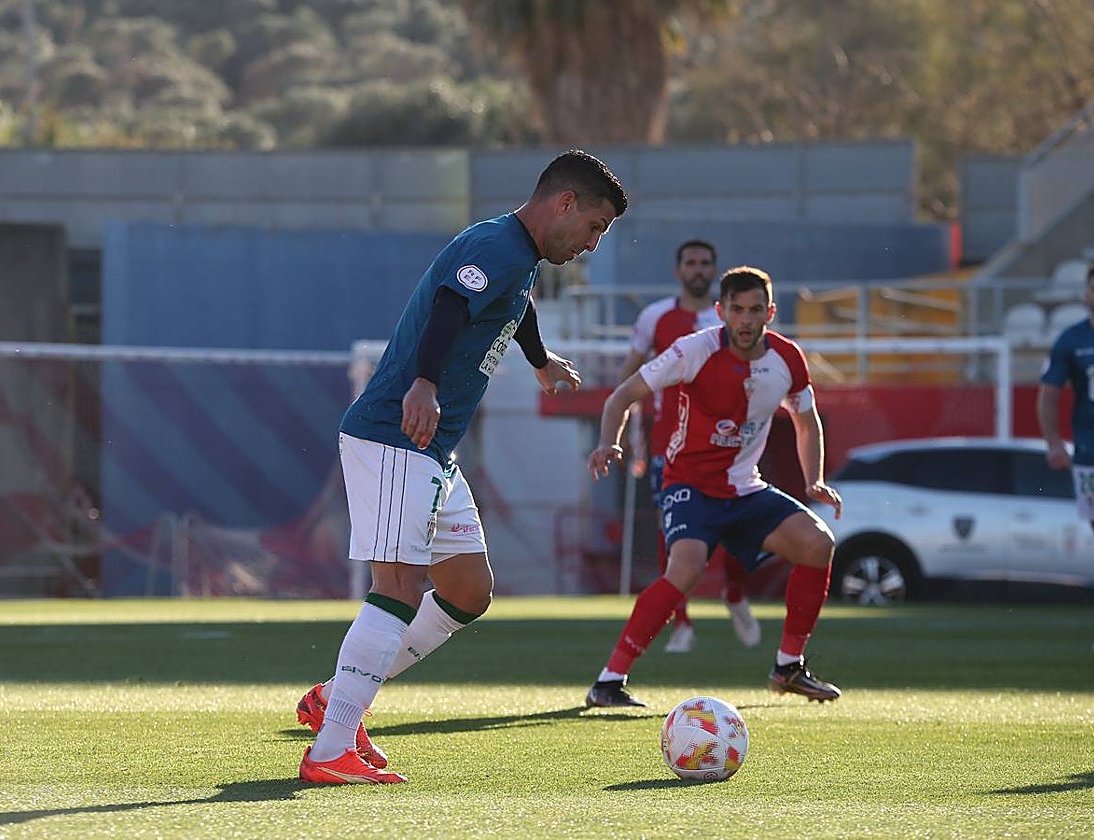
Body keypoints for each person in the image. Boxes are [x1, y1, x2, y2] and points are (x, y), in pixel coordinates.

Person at [295, 149, 629, 784]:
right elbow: (451, 303)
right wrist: (422, 382)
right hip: (398, 434)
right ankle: (329, 748)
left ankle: (333, 697)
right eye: (594, 227)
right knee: (397, 585)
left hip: (433, 451)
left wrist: (538, 359)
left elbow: (514, 302)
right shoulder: (500, 244)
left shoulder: (516, 255)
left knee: (468, 589)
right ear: (565, 204)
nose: (591, 243)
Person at [584, 265, 844, 708]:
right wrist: (609, 442)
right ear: (721, 311)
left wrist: (813, 479)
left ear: (771, 312)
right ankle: (609, 682)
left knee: (818, 544)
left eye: (755, 310)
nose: (746, 320)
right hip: (690, 485)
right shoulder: (693, 350)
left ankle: (787, 667)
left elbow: (806, 421)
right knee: (684, 570)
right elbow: (621, 395)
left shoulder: (788, 359)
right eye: (737, 310)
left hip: (745, 488)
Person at [619, 239, 760, 653]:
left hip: (733, 446)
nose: (697, 269)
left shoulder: (735, 316)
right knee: (673, 533)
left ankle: (735, 593)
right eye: (690, 263)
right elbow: (629, 381)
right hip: (671, 445)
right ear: (678, 270)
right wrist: (627, 438)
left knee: (740, 531)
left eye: (705, 263)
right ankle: (681, 623)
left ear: (715, 270)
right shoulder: (654, 317)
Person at [1037, 263, 1094, 652]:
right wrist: (1053, 442)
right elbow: (1049, 393)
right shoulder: (1071, 341)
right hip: (1091, 457)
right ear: (1087, 295)